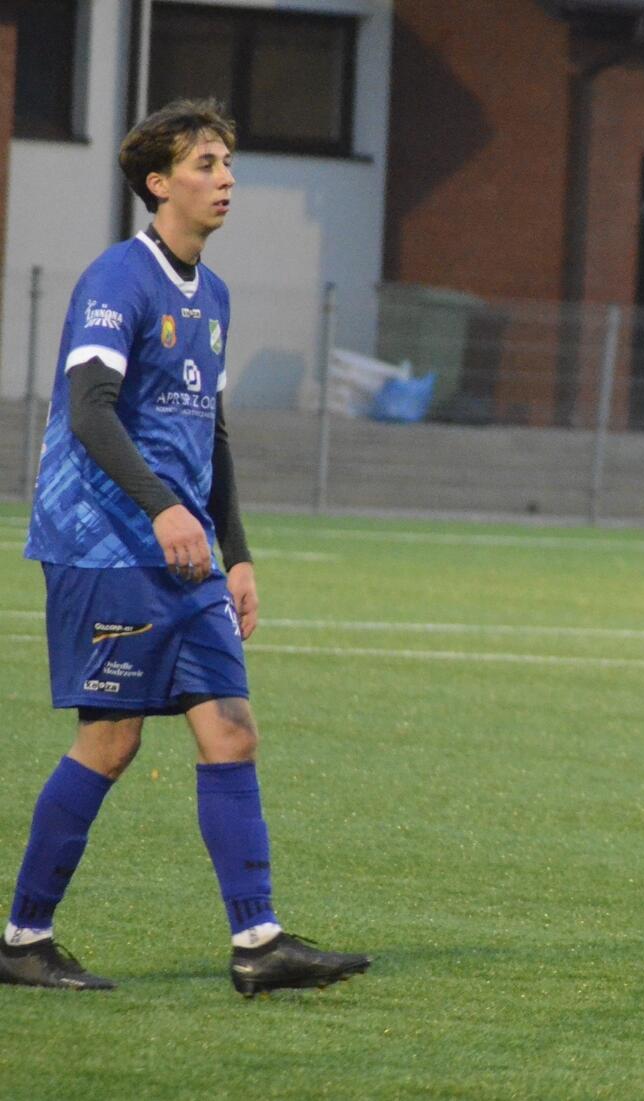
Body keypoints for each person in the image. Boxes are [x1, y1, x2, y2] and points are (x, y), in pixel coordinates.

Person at [2, 99, 370, 995]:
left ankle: (258, 942)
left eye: (228, 163)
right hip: (106, 545)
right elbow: (88, 412)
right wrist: (167, 510)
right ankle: (21, 938)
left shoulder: (216, 296)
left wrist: (236, 552)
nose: (226, 178)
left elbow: (214, 433)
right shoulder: (117, 279)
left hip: (188, 551)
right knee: (111, 741)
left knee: (231, 730)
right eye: (207, 164)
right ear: (159, 183)